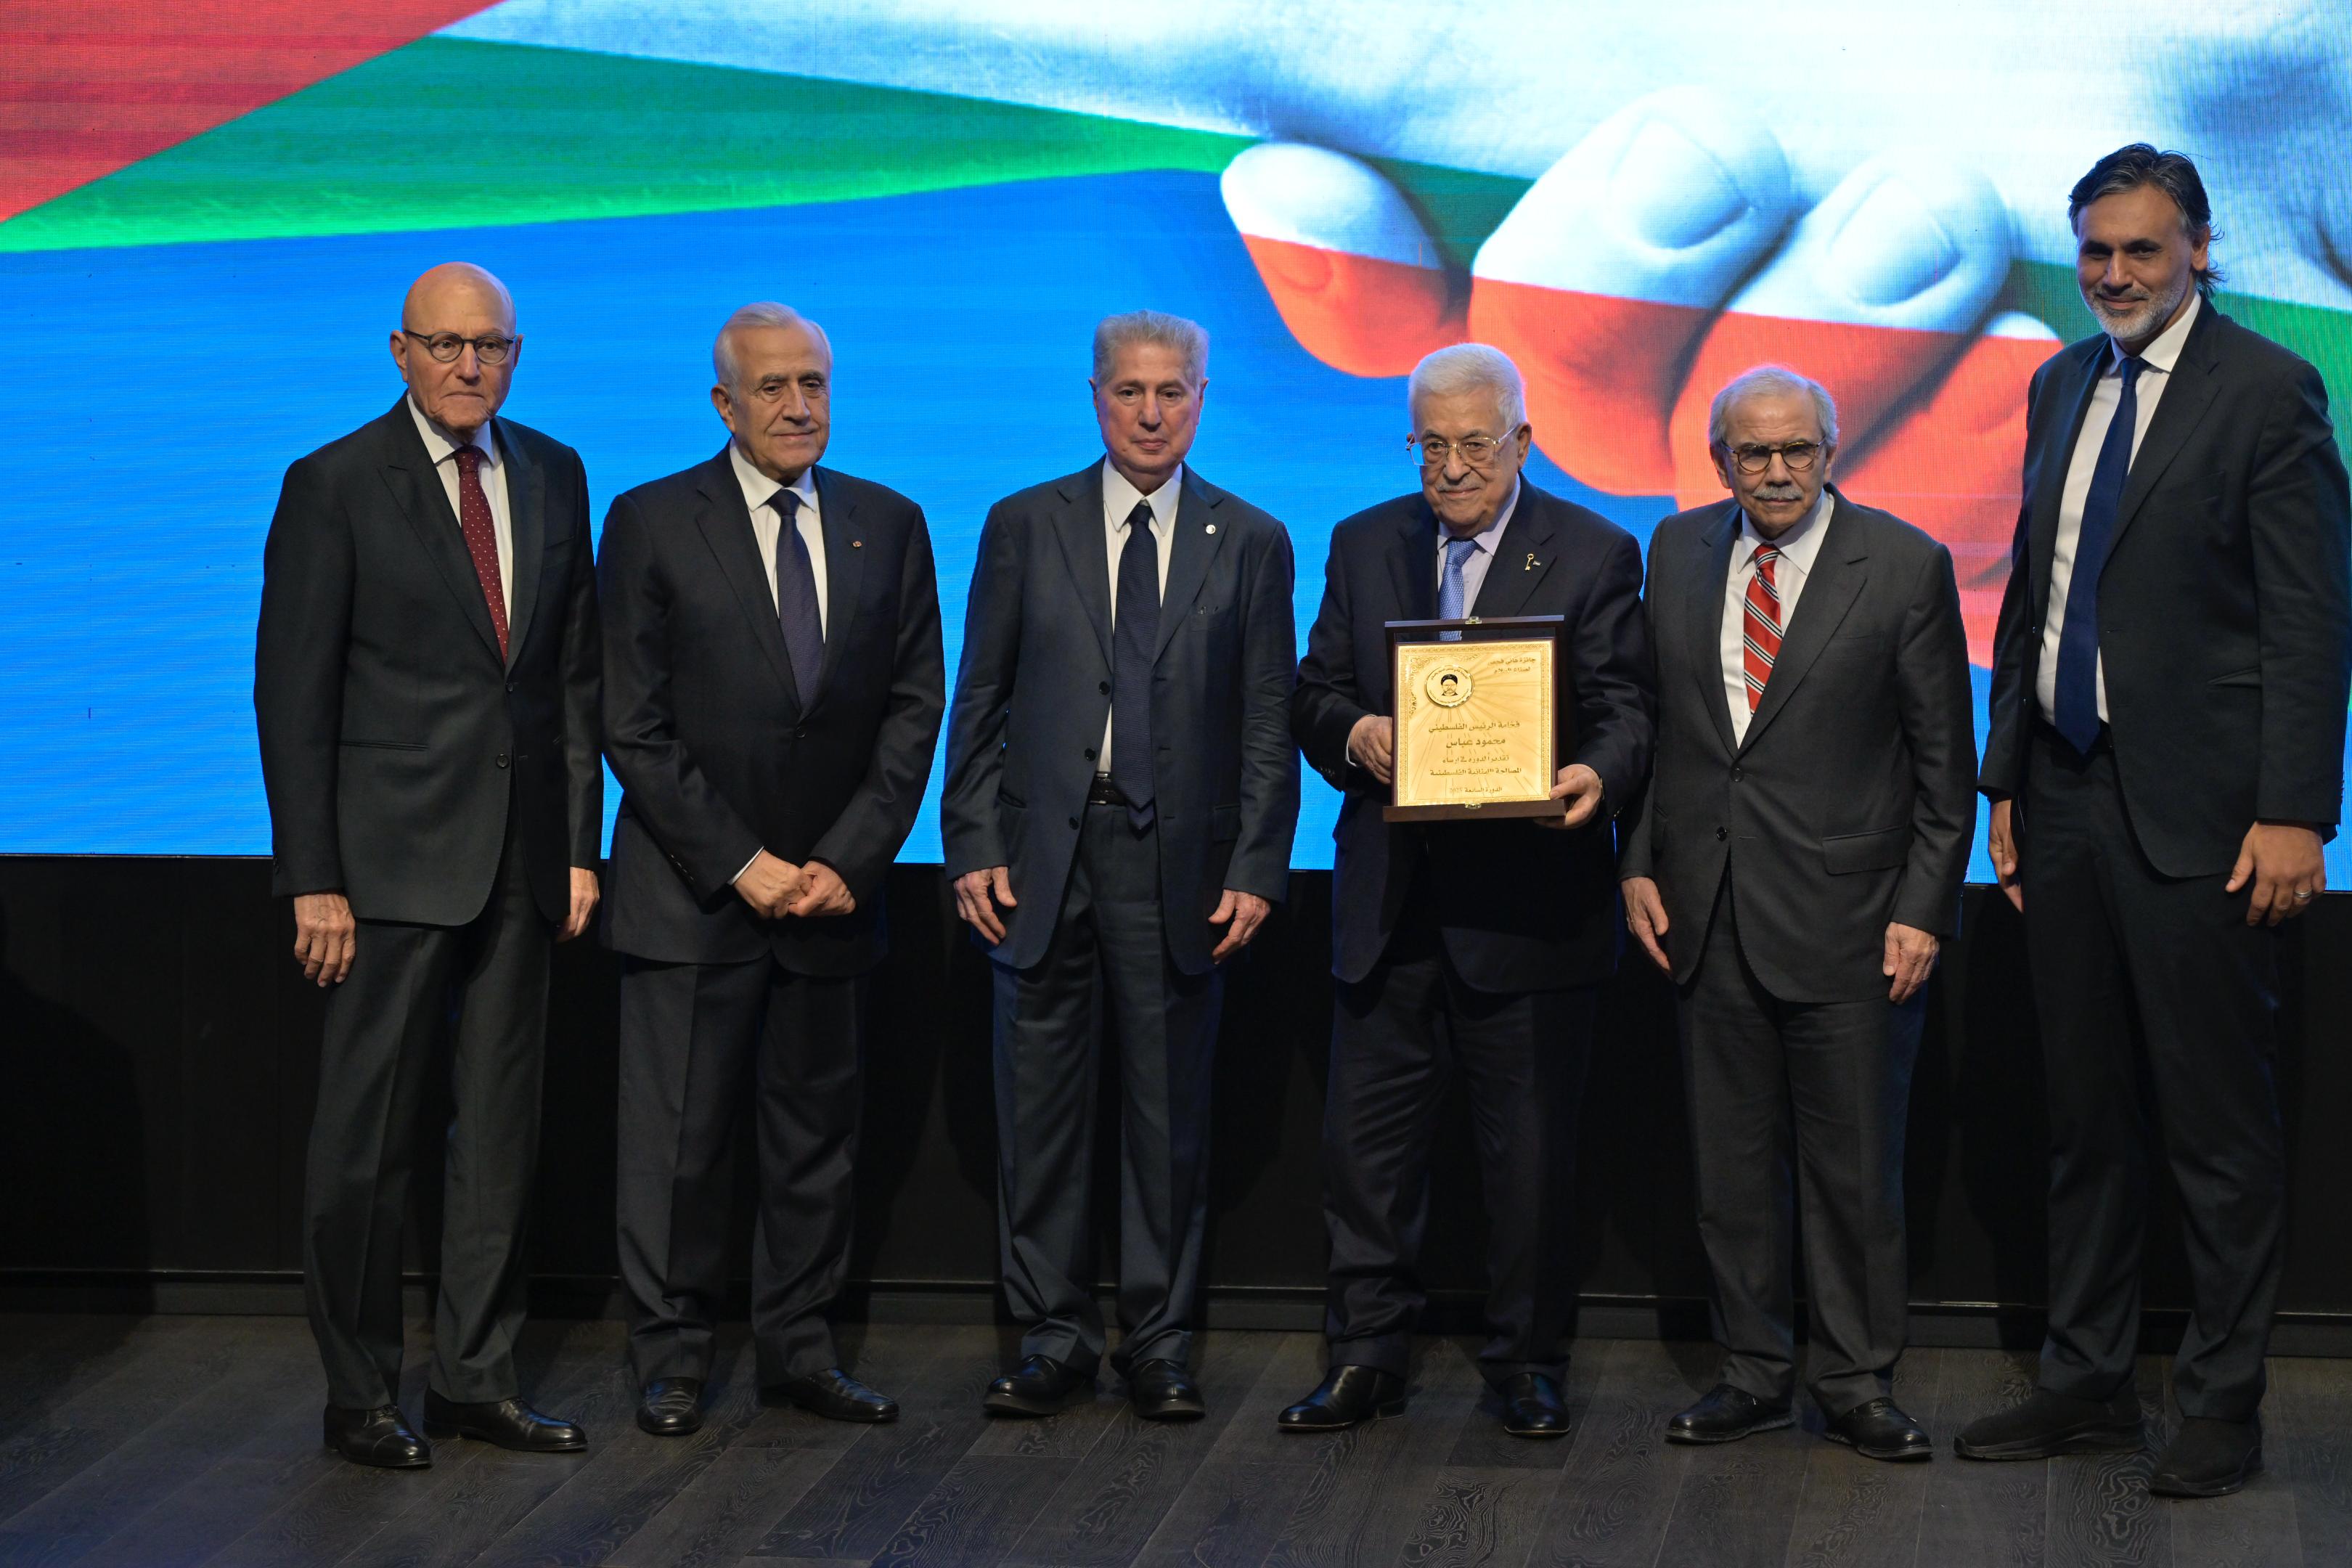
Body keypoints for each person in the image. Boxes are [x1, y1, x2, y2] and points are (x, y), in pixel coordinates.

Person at [1958, 144, 2351, 1497]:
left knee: (2216, 1128)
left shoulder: (2270, 389)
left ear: (2199, 249)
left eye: (2141, 249)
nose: (2116, 274)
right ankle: (2085, 1380)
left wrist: (2296, 812)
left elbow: (2311, 618)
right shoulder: (2060, 380)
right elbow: (2033, 593)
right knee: (2084, 1114)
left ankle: (2224, 1402)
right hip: (2064, 796)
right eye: (2096, 252)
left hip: (2205, 816)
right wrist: (2005, 779)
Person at [254, 263, 603, 1469]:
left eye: (489, 346)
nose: (468, 366)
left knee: (498, 1134)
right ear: (400, 351)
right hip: (386, 868)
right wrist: (314, 876)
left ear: (517, 355)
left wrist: (578, 846)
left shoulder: (554, 471)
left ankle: (474, 1379)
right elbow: (292, 696)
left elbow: (570, 677)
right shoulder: (335, 483)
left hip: (522, 861)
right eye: (446, 345)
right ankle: (358, 1393)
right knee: (367, 1143)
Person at [1283, 343, 1652, 1436]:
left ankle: (1527, 1364)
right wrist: (1356, 731)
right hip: (1388, 907)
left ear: (1523, 442)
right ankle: (1365, 1356)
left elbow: (1626, 709)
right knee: (1365, 1156)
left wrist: (1598, 775)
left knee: (1529, 1162)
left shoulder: (1594, 550)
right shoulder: (1364, 542)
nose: (1451, 467)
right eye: (1431, 444)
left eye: (1475, 445)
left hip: (1531, 910)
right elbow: (1313, 693)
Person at [940, 310, 1299, 1421]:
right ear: (1095, 396)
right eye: (1130, 391)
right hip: (1042, 862)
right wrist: (970, 842)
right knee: (1038, 1116)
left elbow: (1268, 721)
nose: (1151, 413)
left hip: (1177, 868)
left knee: (1166, 1120)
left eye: (1172, 391)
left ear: (1203, 398)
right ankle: (1050, 1337)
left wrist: (1259, 864)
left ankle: (1159, 1343)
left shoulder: (1252, 538)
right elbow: (980, 697)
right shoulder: (1022, 523)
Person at [597, 303, 945, 1437]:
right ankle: (671, 1360)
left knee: (813, 1146)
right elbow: (632, 722)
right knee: (678, 1149)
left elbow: (913, 709)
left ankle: (800, 1351)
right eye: (774, 387)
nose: (799, 407)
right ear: (725, 404)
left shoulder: (889, 522)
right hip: (694, 895)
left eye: (815, 384)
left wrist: (848, 859)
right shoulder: (651, 520)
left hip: (831, 903)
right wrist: (740, 861)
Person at [1619, 365, 1975, 1461]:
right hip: (1705, 910)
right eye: (1754, 453)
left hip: (1855, 922)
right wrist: (1636, 861)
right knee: (1728, 1173)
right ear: (1719, 460)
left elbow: (1944, 768)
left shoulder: (1905, 564)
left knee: (1853, 1174)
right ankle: (1752, 1371)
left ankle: (1857, 1381)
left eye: (1798, 451)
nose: (1777, 472)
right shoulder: (1676, 548)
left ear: (1832, 450)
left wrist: (1924, 909)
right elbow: (1656, 729)